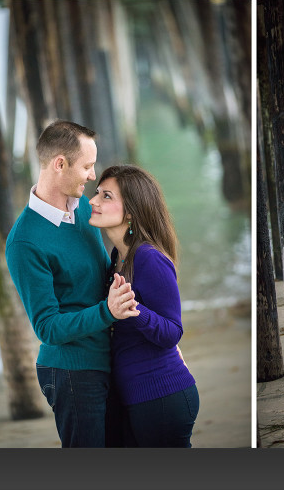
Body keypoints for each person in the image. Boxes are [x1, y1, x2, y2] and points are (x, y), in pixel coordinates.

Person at [5, 120, 140, 447]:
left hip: (110, 358)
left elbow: (116, 255)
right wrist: (107, 311)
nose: (93, 176)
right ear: (60, 164)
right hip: (72, 373)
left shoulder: (82, 207)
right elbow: (47, 327)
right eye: (88, 166)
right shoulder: (25, 242)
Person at [89, 164, 198, 447]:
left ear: (131, 213)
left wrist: (133, 310)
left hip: (160, 394)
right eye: (97, 193)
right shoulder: (118, 256)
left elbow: (173, 332)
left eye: (106, 197)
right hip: (135, 395)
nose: (93, 201)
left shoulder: (149, 258)